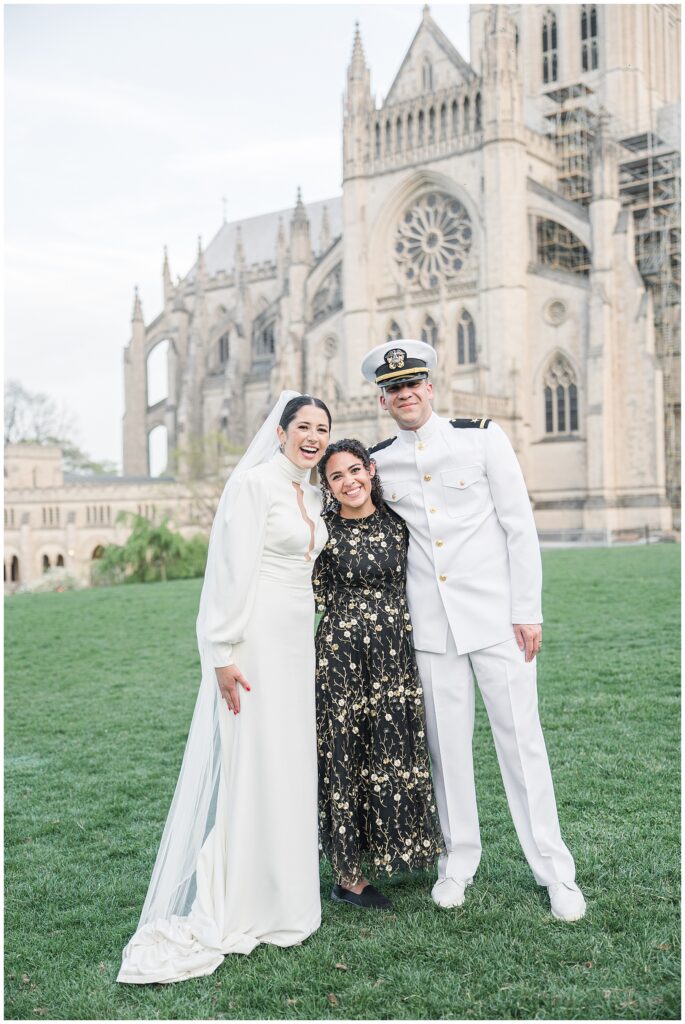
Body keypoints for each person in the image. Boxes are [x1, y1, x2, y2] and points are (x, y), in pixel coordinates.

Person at [360, 340, 586, 923]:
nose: (404, 394)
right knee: (447, 754)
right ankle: (457, 864)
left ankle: (556, 873)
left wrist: (528, 610)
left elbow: (519, 526)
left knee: (523, 746)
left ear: (430, 387)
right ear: (383, 401)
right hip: (432, 632)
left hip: (496, 622)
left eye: (413, 384)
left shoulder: (482, 436)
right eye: (393, 389)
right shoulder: (380, 462)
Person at [118, 392, 332, 984]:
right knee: (254, 764)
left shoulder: (312, 493)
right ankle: (243, 896)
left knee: (290, 766)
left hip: (297, 644)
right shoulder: (255, 485)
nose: (312, 437)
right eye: (303, 427)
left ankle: (287, 898)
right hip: (256, 642)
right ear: (282, 431)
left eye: (322, 429)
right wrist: (222, 652)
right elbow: (229, 571)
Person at [313, 438, 442, 911]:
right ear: (327, 487)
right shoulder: (322, 532)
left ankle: (391, 847)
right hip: (341, 658)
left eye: (354, 471)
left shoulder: (398, 523)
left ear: (370, 470)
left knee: (388, 750)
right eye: (336, 477)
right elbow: (301, 591)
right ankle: (347, 875)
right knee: (345, 753)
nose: (348, 482)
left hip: (393, 657)